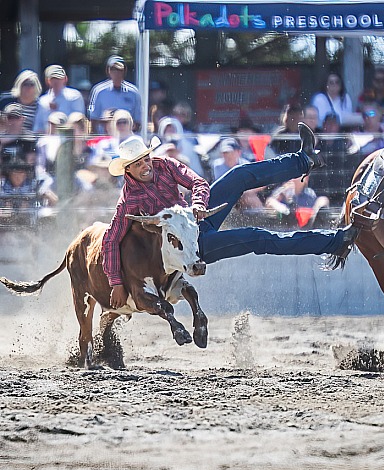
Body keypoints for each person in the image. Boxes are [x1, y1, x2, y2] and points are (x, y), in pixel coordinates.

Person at [103, 123, 357, 308]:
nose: (145, 166)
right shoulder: (128, 201)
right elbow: (110, 241)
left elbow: (198, 183)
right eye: (138, 164)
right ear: (128, 170)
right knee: (259, 238)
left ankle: (304, 160)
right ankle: (334, 242)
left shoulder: (164, 165)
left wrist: (199, 204)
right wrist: (116, 282)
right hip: (191, 247)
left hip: (197, 218)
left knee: (238, 176)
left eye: (145, 159)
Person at [88, 56, 142, 134]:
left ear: (124, 71)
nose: (117, 73)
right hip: (104, 138)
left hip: (126, 138)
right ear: (108, 71)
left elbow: (138, 122)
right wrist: (107, 120)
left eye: (120, 70)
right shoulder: (99, 91)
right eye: (113, 70)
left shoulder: (133, 92)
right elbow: (93, 119)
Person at [33, 65, 85, 134]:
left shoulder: (74, 96)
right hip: (47, 139)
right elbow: (38, 125)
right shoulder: (43, 100)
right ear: (47, 81)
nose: (56, 82)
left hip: (69, 137)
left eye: (59, 78)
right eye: (53, 79)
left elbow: (79, 121)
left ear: (65, 79)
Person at [0, 103, 37, 167]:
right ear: (5, 119)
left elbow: (30, 162)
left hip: (21, 172)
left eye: (16, 117)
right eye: (10, 117)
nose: (13, 121)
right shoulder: (1, 137)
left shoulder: (30, 138)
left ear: (23, 118)